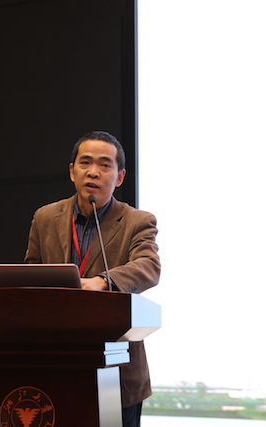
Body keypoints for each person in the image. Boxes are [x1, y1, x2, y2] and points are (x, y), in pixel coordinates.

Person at [24, 130, 160, 427]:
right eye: (85, 163)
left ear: (119, 177)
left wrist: (102, 281)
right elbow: (31, 274)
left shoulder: (137, 221)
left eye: (105, 165)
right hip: (55, 361)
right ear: (72, 171)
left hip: (116, 369)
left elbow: (149, 266)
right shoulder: (45, 217)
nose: (93, 172)